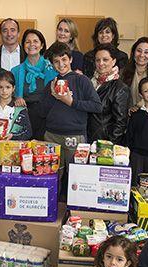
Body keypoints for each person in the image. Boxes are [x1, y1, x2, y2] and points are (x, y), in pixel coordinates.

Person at [41, 42, 101, 195]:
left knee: (76, 176)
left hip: (75, 135)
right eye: (56, 61)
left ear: (71, 60)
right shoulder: (51, 84)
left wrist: (71, 102)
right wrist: (54, 96)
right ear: (52, 64)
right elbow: (43, 111)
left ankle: (73, 212)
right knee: (52, 174)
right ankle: (52, 205)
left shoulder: (82, 80)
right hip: (52, 135)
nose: (61, 64)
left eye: (64, 59)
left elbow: (96, 106)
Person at [0, 71, 32, 207]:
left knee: (10, 183)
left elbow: (28, 132)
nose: (4, 91)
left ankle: (10, 211)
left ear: (13, 88)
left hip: (12, 153)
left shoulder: (19, 108)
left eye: (8, 87)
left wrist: (13, 136)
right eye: (1, 87)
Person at [11, 29, 58, 140]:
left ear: (41, 45)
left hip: (47, 117)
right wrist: (17, 97)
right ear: (23, 45)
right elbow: (8, 93)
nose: (32, 44)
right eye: (28, 42)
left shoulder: (52, 68)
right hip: (25, 116)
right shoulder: (16, 71)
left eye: (35, 41)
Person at [87, 44, 131, 145]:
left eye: (105, 59)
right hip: (88, 139)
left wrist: (108, 146)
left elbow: (120, 124)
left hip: (105, 143)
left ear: (114, 61)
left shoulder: (120, 88)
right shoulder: (90, 82)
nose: (101, 63)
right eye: (98, 60)